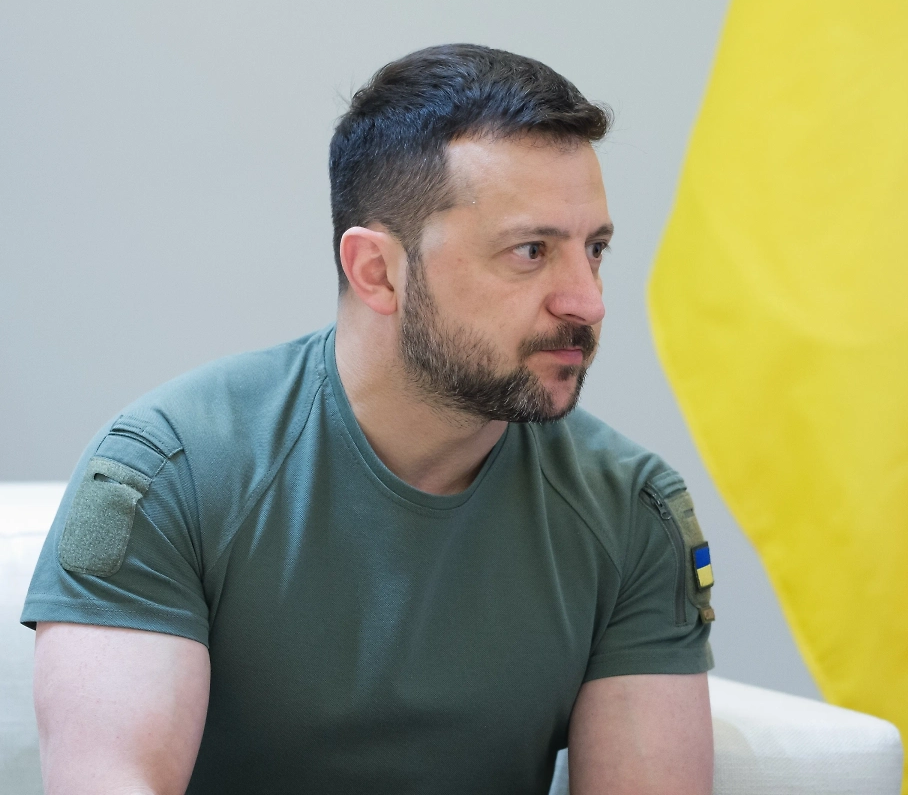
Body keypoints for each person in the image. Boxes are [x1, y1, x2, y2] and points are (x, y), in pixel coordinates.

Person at [22, 44, 715, 795]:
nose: (588, 300)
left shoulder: (631, 511)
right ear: (377, 271)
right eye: (530, 251)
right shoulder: (167, 475)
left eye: (596, 248)